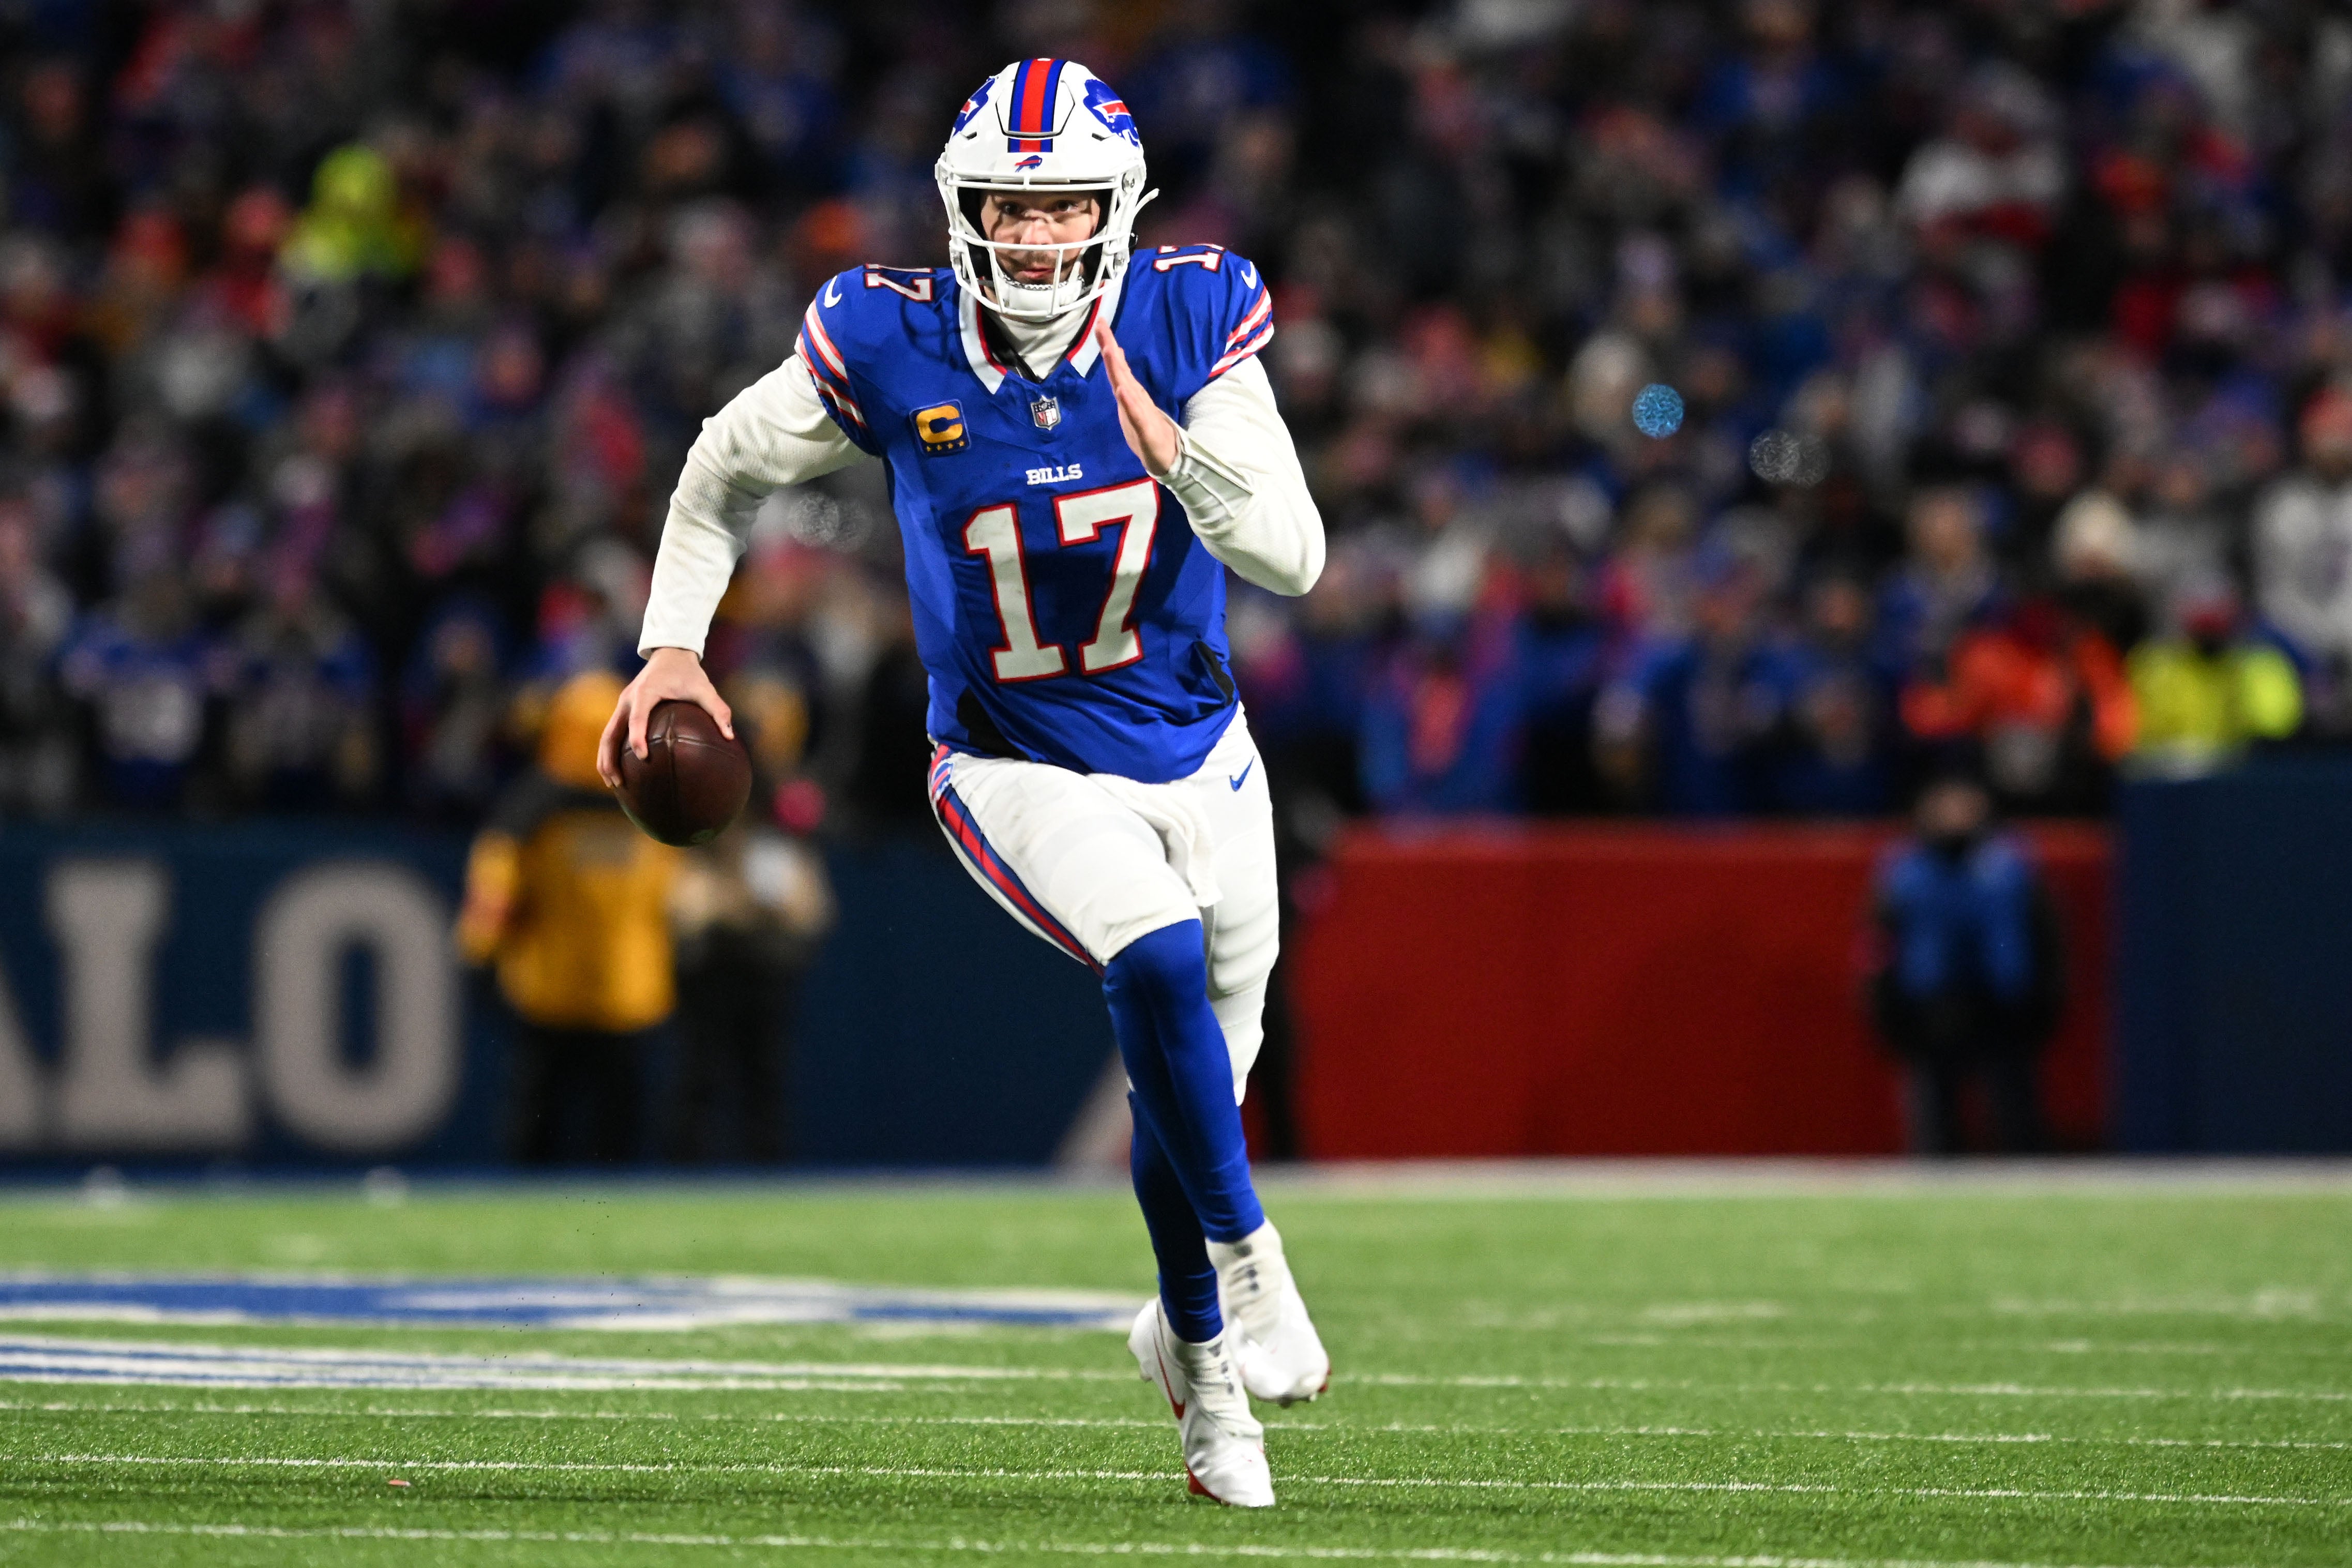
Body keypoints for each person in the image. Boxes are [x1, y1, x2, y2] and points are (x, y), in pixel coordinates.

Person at [599, 59, 1326, 1507]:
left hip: (1202, 751)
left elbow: (1293, 558)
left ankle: (1193, 1369)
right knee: (1154, 954)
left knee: (1193, 1097)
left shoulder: (1186, 315)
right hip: (1012, 758)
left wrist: (1171, 448)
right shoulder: (888, 340)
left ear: (1115, 211)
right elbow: (722, 469)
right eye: (1011, 203)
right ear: (962, 210)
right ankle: (1251, 1279)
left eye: (1064, 206)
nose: (1039, 235)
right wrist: (670, 648)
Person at [458, 670, 680, 1165]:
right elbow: (679, 892)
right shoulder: (652, 799)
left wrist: (479, 951)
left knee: (541, 1127)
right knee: (611, 1134)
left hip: (554, 987)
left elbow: (494, 888)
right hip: (624, 990)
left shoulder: (532, 807)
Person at [1867, 771, 2063, 1155]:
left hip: (2004, 1007)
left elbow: (2045, 937)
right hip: (1931, 1008)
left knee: (2014, 1112)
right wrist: (1887, 1010)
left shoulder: (2011, 866)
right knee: (1934, 1117)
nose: (1956, 814)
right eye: (1946, 804)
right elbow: (1880, 945)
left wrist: (2044, 1000)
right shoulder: (1905, 872)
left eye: (1965, 803)